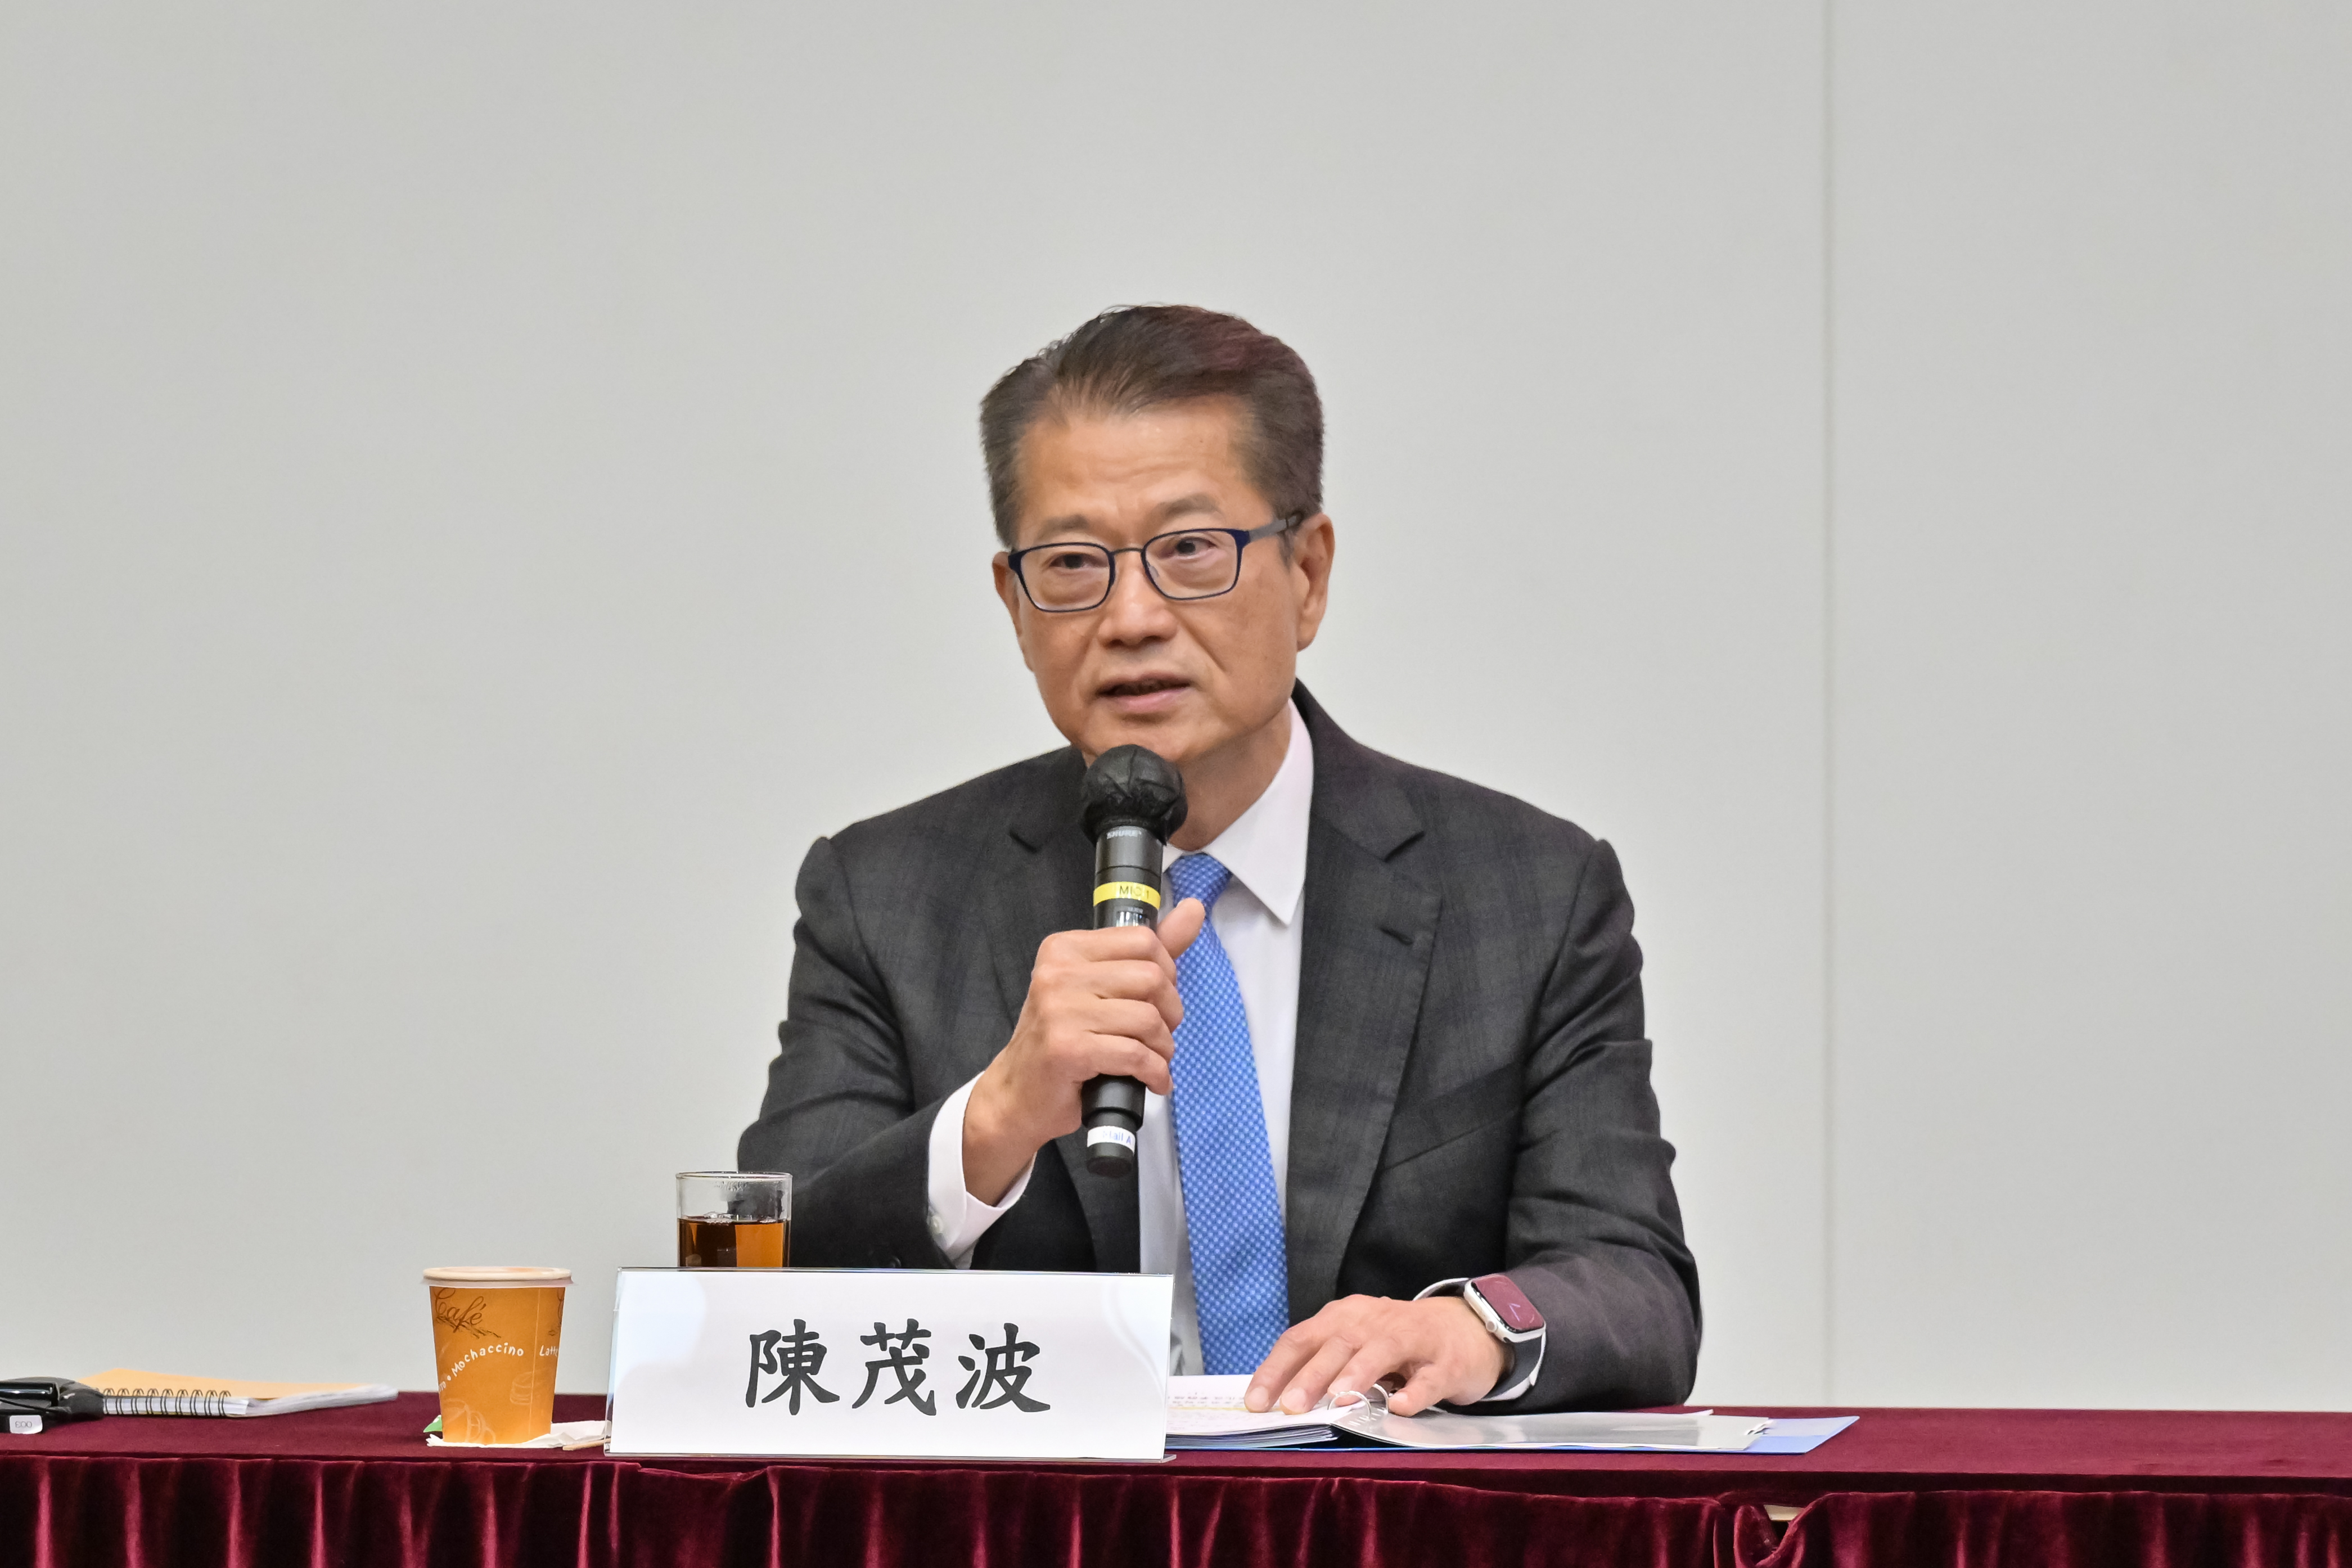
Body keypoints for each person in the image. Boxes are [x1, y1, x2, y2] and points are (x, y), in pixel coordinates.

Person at [740, 305, 1699, 1415]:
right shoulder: (886, 896)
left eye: (1190, 550)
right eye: (1073, 563)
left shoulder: (1528, 893)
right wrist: (994, 1118)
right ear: (1014, 602)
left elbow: (1634, 1285)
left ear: (1308, 572)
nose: (1132, 617)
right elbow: (759, 1293)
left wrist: (1467, 1327)